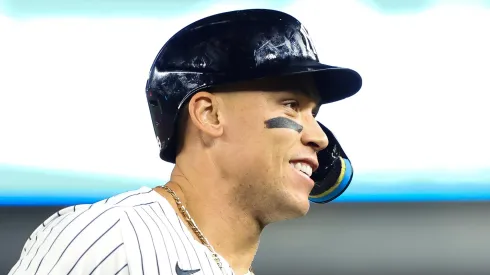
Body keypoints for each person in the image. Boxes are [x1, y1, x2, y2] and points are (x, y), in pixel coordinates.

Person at [8, 8, 362, 275]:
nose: (318, 137)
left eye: (314, 114)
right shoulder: (113, 237)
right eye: (291, 105)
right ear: (209, 115)